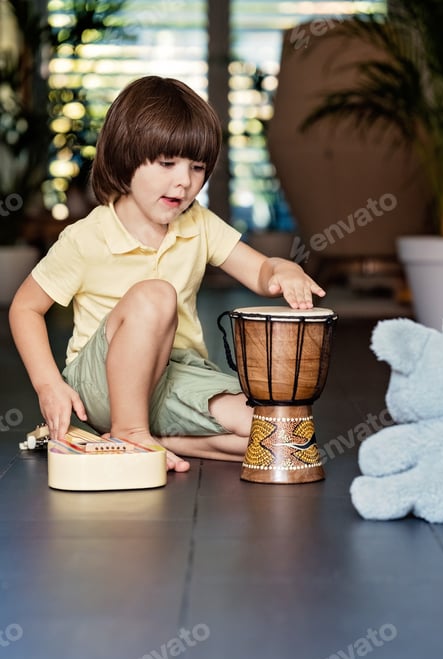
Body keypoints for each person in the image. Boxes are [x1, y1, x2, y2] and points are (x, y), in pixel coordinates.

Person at [9, 76, 325, 473]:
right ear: (127, 156)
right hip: (102, 386)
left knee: (282, 433)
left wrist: (283, 268)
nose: (184, 181)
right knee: (157, 294)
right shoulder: (86, 237)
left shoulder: (198, 223)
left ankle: (151, 440)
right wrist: (49, 385)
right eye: (167, 163)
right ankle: (128, 430)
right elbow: (25, 308)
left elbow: (260, 270)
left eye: (197, 167)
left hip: (177, 375)